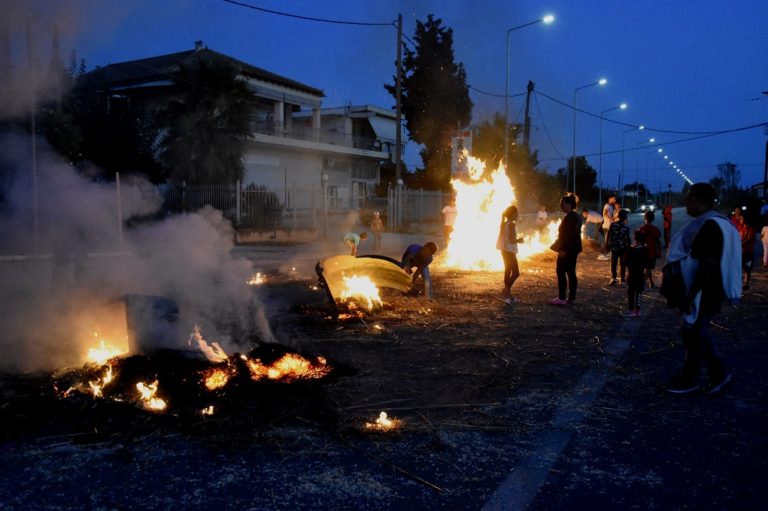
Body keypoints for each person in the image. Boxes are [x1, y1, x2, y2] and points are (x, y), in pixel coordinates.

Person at [664, 183, 741, 395]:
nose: (686, 203)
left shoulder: (710, 225)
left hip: (706, 290)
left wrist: (690, 293)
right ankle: (694, 374)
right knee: (693, 330)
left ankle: (712, 375)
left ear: (698, 200)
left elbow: (706, 263)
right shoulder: (717, 222)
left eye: (688, 199)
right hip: (710, 289)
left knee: (695, 331)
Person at [548, 193, 582, 305]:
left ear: (568, 204)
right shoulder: (574, 216)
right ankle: (571, 298)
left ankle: (562, 298)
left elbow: (568, 236)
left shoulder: (571, 217)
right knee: (570, 272)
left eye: (562, 203)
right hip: (572, 248)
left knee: (561, 271)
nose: (560, 206)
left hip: (568, 249)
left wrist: (563, 250)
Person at [496, 205, 525, 304]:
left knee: (508, 270)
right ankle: (506, 290)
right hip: (510, 251)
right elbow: (512, 239)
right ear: (513, 214)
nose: (518, 215)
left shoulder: (504, 223)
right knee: (516, 272)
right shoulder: (512, 224)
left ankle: (508, 296)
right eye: (516, 213)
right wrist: (520, 240)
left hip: (504, 250)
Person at [624, 229, 647, 317]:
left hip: (632, 273)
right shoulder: (645, 250)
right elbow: (646, 264)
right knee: (639, 292)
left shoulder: (630, 249)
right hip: (640, 274)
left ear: (635, 238)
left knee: (631, 292)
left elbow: (626, 262)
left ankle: (631, 310)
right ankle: (638, 310)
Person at [605, 209, 631, 286]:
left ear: (618, 216)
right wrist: (629, 248)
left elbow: (608, 235)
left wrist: (606, 244)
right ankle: (622, 279)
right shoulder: (626, 227)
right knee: (622, 264)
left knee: (613, 263)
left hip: (614, 247)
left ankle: (613, 278)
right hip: (623, 248)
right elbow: (628, 239)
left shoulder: (613, 225)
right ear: (625, 217)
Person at [733, 208, 756, 290]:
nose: (741, 220)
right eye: (741, 219)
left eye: (743, 219)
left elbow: (748, 239)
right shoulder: (739, 227)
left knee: (747, 268)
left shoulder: (751, 228)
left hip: (748, 252)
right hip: (740, 252)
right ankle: (738, 283)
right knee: (738, 267)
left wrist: (738, 244)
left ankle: (746, 283)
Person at [638, 210, 662, 288]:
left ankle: (651, 282)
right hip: (652, 251)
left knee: (647, 267)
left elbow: (638, 241)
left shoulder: (642, 228)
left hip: (642, 251)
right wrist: (659, 253)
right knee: (648, 267)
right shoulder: (655, 229)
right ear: (653, 218)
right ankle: (643, 283)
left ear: (645, 217)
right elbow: (658, 242)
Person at [598, 195, 617, 260]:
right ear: (610, 198)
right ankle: (605, 254)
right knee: (607, 240)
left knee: (609, 240)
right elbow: (605, 214)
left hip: (609, 225)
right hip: (606, 226)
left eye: (615, 199)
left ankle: (608, 253)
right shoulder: (607, 206)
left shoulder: (611, 206)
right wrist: (612, 219)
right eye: (614, 199)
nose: (615, 200)